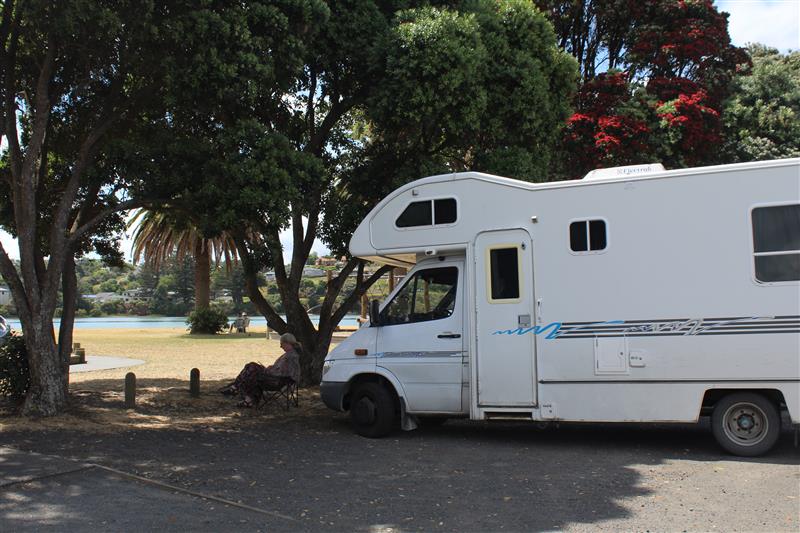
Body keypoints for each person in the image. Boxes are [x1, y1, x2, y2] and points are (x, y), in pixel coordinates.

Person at [220, 332, 302, 408]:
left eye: (281, 344)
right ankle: (245, 397)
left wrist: (270, 370)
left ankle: (239, 392)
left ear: (287, 343)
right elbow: (282, 370)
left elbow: (285, 373)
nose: (280, 346)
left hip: (276, 381)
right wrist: (271, 368)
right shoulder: (290, 354)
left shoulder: (291, 356)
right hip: (275, 378)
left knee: (251, 369)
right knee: (250, 368)